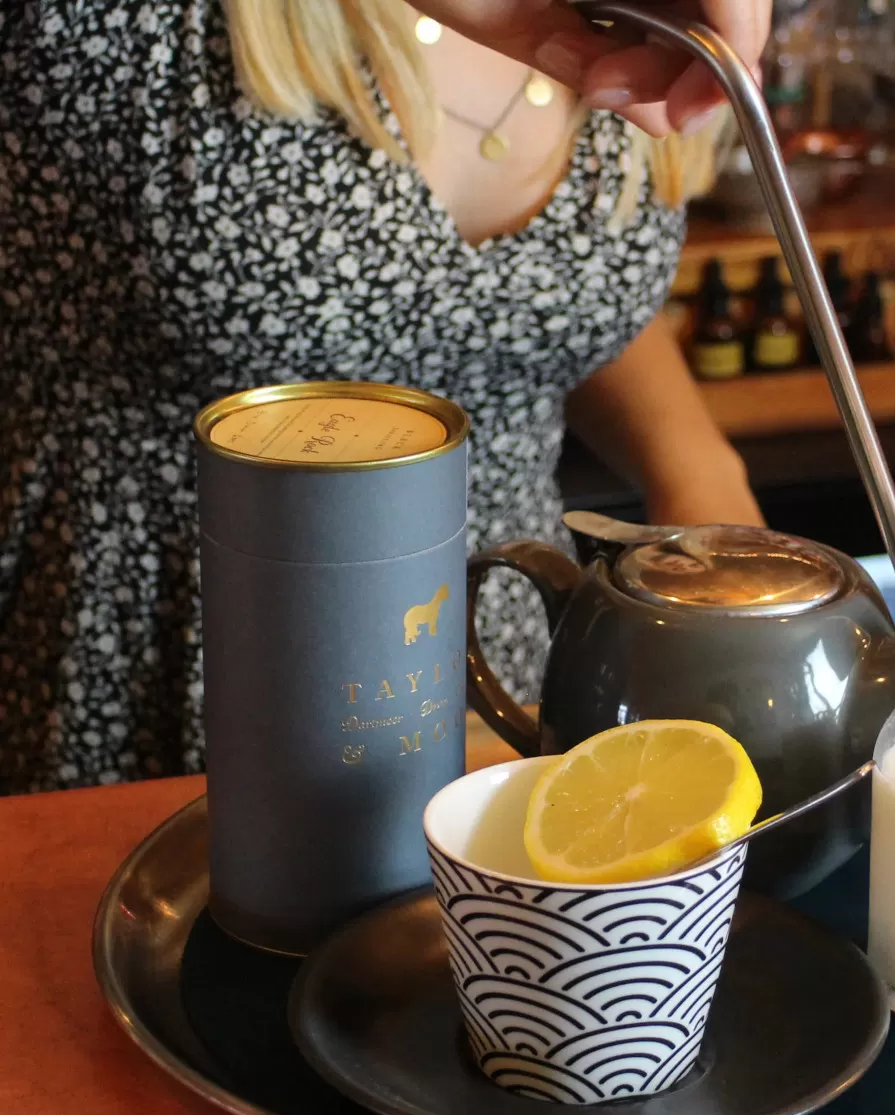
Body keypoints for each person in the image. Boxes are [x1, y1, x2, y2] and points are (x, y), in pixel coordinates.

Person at [0, 0, 769, 794]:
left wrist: (695, 465)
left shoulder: (634, 23)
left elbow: (506, 301)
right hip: (143, 664)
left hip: (496, 667)